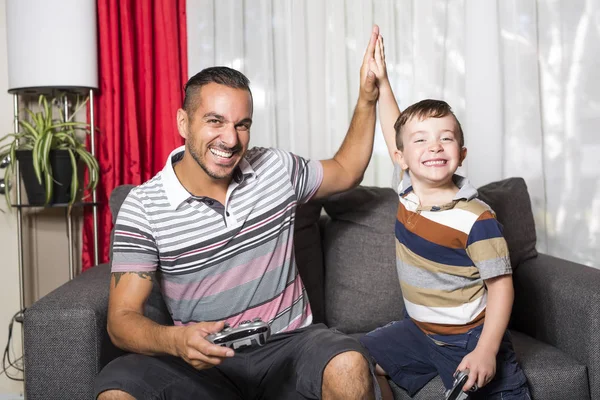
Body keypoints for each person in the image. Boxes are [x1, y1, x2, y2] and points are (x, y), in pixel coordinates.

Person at [94, 26, 384, 400]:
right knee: (117, 392)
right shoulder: (144, 207)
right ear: (184, 122)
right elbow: (121, 321)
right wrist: (176, 340)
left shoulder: (275, 168)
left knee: (348, 362)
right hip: (204, 365)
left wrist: (366, 98)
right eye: (215, 121)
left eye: (241, 124)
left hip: (290, 346)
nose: (230, 140)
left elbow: (347, 169)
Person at [359, 35, 531, 399]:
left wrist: (486, 350)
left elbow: (501, 288)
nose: (434, 146)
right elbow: (397, 129)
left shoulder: (476, 218)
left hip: (468, 337)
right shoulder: (406, 190)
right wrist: (384, 84)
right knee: (353, 357)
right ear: (403, 156)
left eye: (445, 138)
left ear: (462, 153)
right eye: (420, 141)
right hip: (419, 332)